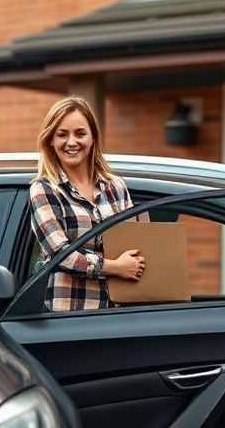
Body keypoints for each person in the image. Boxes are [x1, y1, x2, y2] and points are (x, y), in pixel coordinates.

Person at [30, 96, 145, 312]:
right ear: (51, 141)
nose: (71, 142)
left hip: (120, 310)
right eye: (62, 134)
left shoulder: (116, 187)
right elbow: (59, 255)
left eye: (80, 133)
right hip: (71, 315)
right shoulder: (44, 189)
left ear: (93, 138)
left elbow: (134, 244)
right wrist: (115, 267)